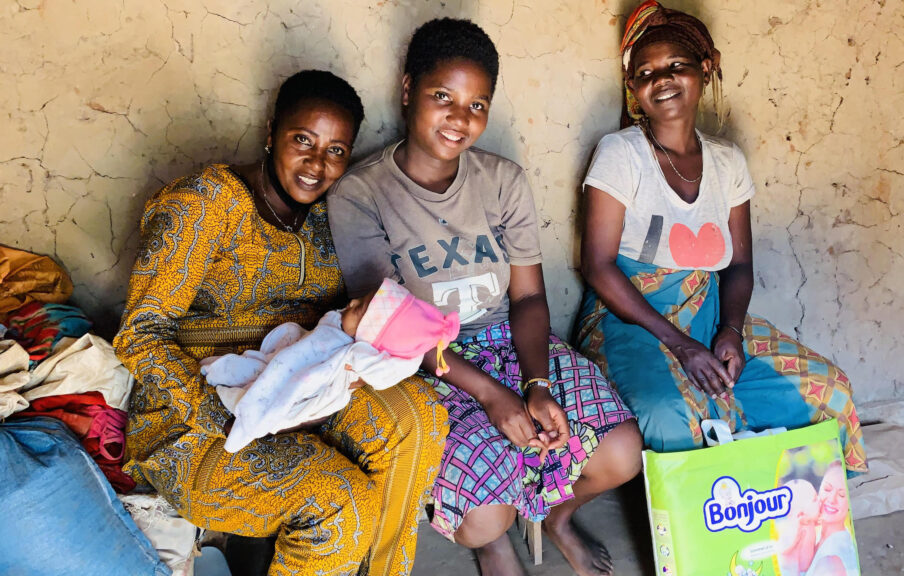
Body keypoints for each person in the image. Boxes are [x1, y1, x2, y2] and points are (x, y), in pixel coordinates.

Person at [328, 18, 643, 576]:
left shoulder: (502, 181)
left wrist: (536, 383)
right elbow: (391, 323)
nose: (459, 118)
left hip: (515, 344)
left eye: (477, 104)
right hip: (424, 366)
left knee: (621, 453)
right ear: (407, 91)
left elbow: (527, 299)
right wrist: (496, 397)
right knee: (483, 516)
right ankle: (492, 542)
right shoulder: (361, 192)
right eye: (442, 97)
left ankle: (558, 517)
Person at [113, 70, 448, 576]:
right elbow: (139, 336)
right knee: (342, 504)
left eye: (337, 150)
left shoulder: (325, 217)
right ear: (271, 133)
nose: (317, 164)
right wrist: (236, 414)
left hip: (297, 377)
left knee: (420, 418)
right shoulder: (205, 204)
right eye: (303, 141)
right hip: (200, 414)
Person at [574, 0, 868, 475]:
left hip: (711, 316)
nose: (661, 80)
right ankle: (709, 533)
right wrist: (681, 345)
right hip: (630, 323)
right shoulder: (620, 153)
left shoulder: (727, 161)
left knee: (828, 389)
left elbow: (739, 265)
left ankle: (793, 520)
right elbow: (598, 267)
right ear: (633, 88)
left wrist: (729, 331)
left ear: (704, 71)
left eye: (676, 66)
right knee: (674, 417)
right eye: (645, 73)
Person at [202, 278, 461, 453]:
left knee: (290, 396)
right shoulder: (340, 326)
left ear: (369, 336)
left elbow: (374, 372)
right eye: (358, 300)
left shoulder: (355, 354)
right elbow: (293, 355)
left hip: (312, 386)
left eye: (359, 310)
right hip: (291, 362)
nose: (351, 303)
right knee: (272, 368)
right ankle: (244, 386)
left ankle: (256, 422)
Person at [806, 462, 859, 576]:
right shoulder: (816, 535)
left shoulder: (831, 560)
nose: (831, 499)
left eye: (841, 495)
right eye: (827, 489)